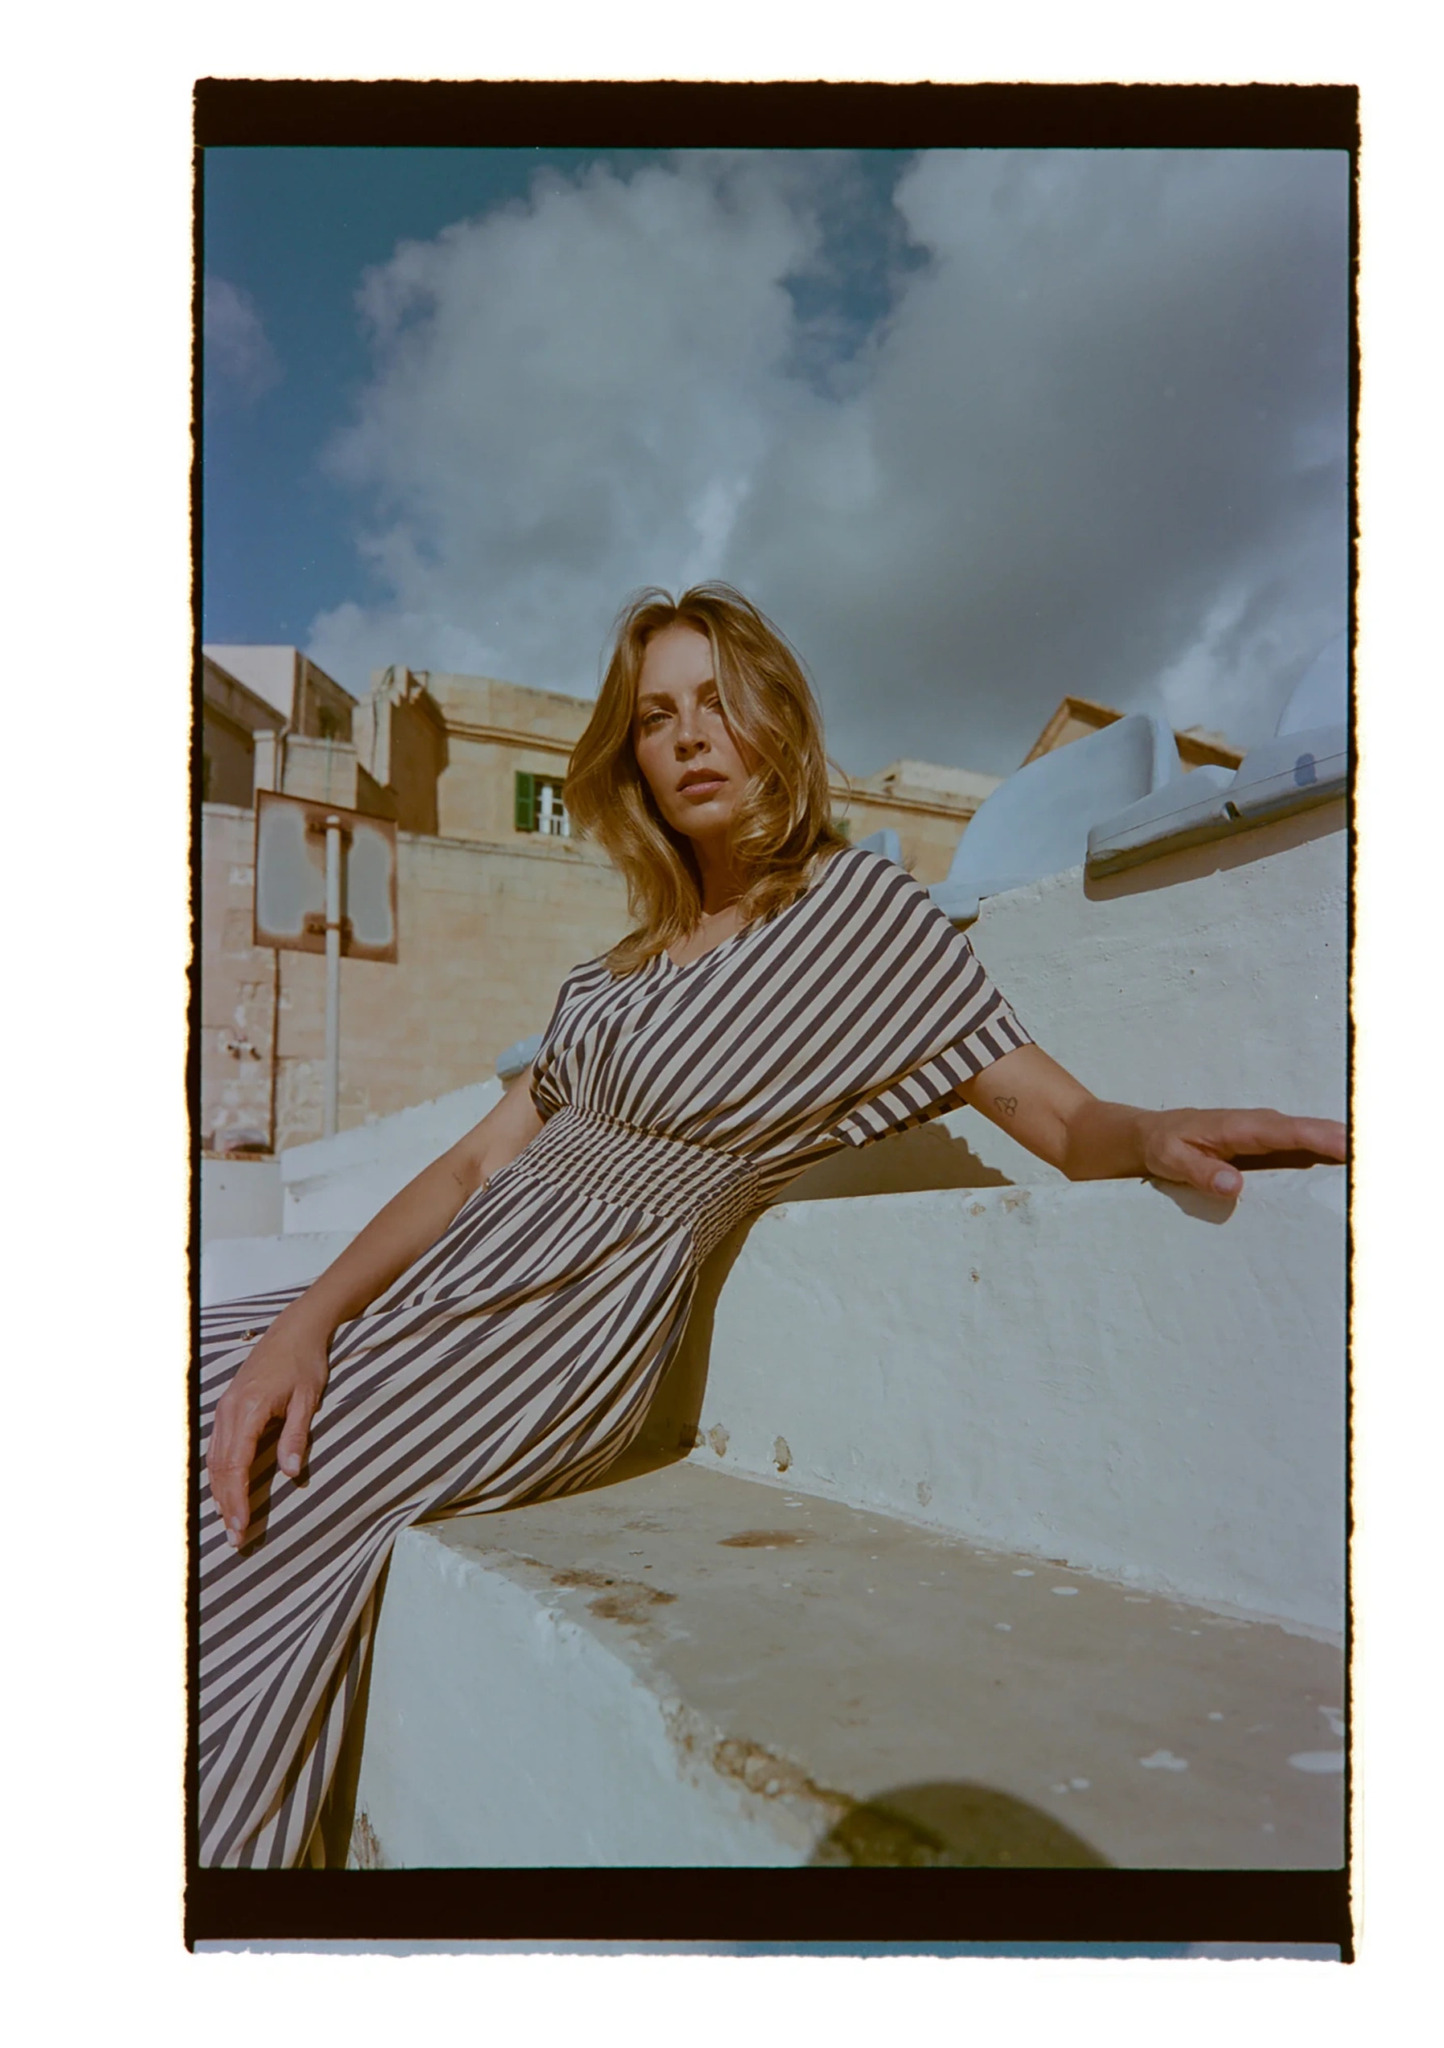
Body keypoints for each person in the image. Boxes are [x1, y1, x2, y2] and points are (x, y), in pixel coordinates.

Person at [198, 584, 1345, 1868]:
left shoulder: (864, 921)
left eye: (719, 703)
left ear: (778, 725)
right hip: (433, 1298)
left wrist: (1156, 1128)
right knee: (213, 1373)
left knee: (250, 1523)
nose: (690, 735)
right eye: (656, 717)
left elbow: (1066, 1120)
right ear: (630, 756)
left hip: (536, 1345)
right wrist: (308, 1320)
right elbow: (471, 1165)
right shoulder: (612, 972)